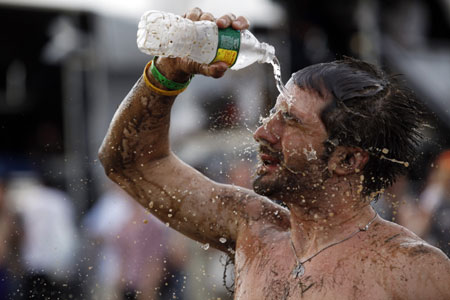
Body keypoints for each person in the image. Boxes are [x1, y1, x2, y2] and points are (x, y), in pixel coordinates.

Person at [99, 8, 450, 299]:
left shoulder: (410, 270)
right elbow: (129, 163)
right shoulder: (252, 228)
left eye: (290, 122)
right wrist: (167, 73)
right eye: (273, 114)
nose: (262, 132)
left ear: (347, 159)